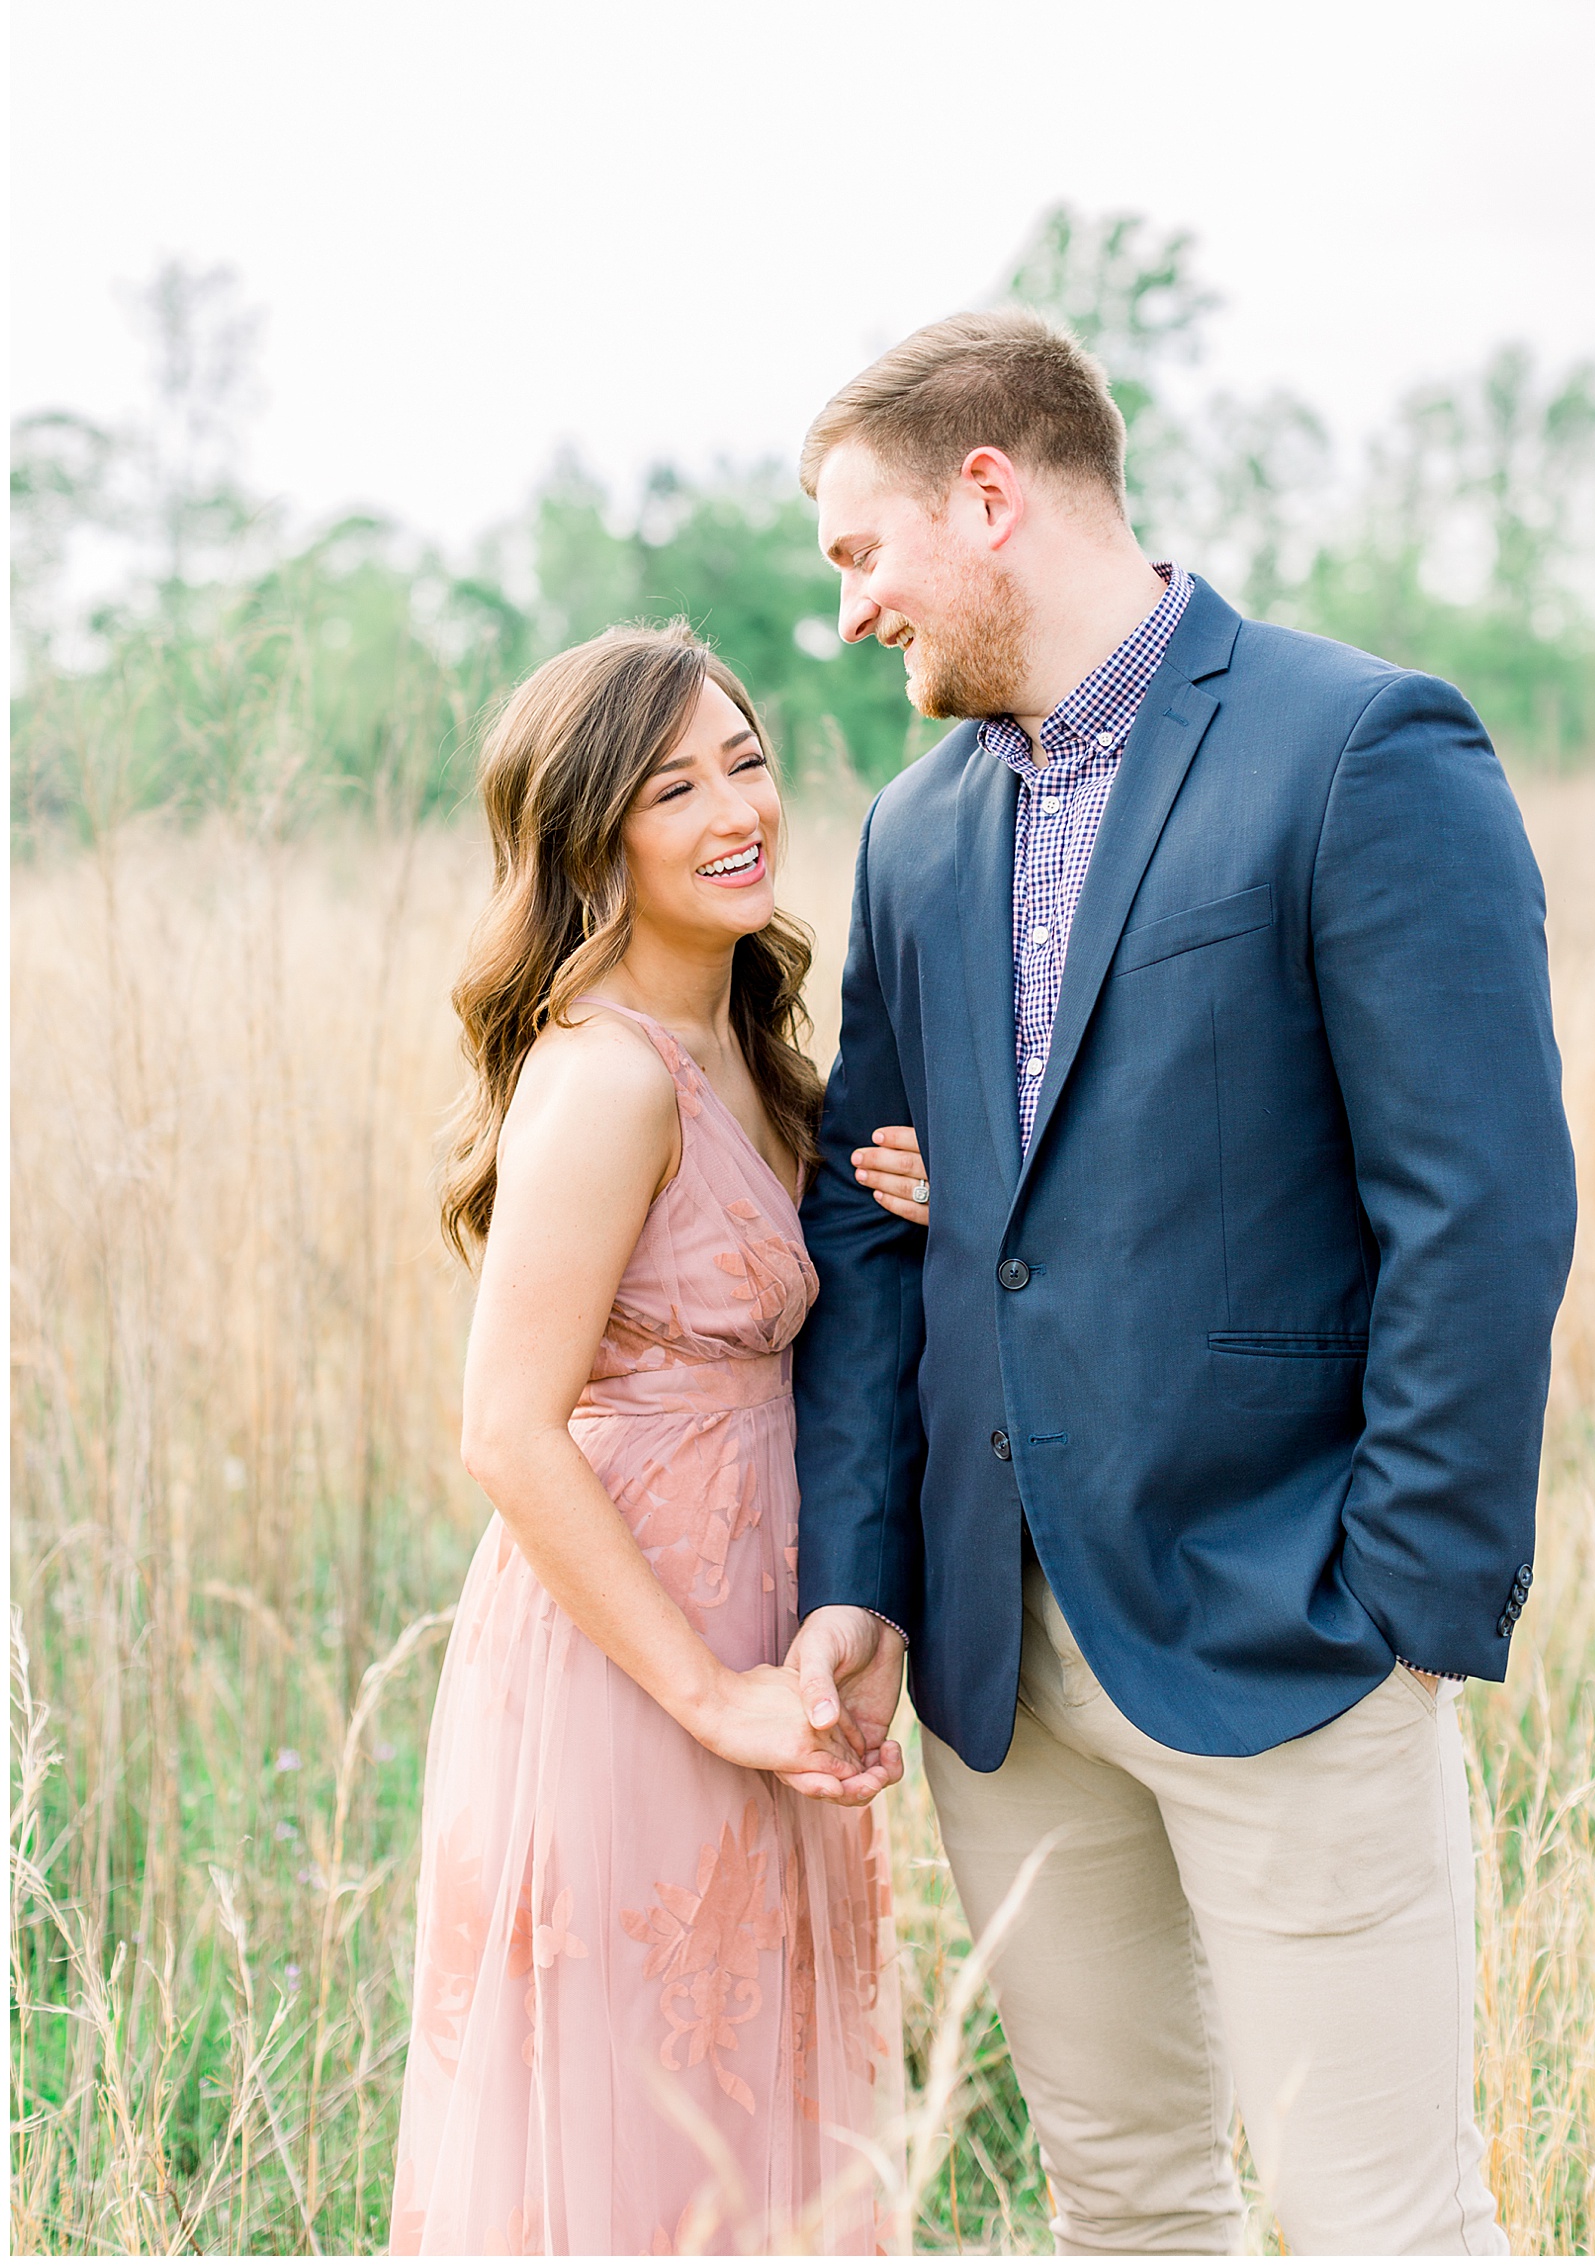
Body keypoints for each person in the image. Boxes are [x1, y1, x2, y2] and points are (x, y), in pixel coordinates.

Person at [786, 310, 1579, 2256]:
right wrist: (864, 1574)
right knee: (1124, 2203)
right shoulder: (914, 831)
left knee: (1377, 2216)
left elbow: (1481, 1208)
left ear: (989, 495)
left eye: (856, 550)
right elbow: (881, 1230)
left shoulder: (1358, 747)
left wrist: (1403, 1598)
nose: (847, 612)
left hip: (1290, 1633)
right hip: (1007, 1661)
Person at [389, 625, 913, 2259]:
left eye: (745, 760)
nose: (733, 807)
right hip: (633, 1662)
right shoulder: (608, 1076)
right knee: (639, 2130)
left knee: (758, 2111)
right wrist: (708, 1691)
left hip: (774, 1628)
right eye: (673, 785)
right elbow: (506, 1426)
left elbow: (841, 1350)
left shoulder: (761, 1061)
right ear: (592, 834)